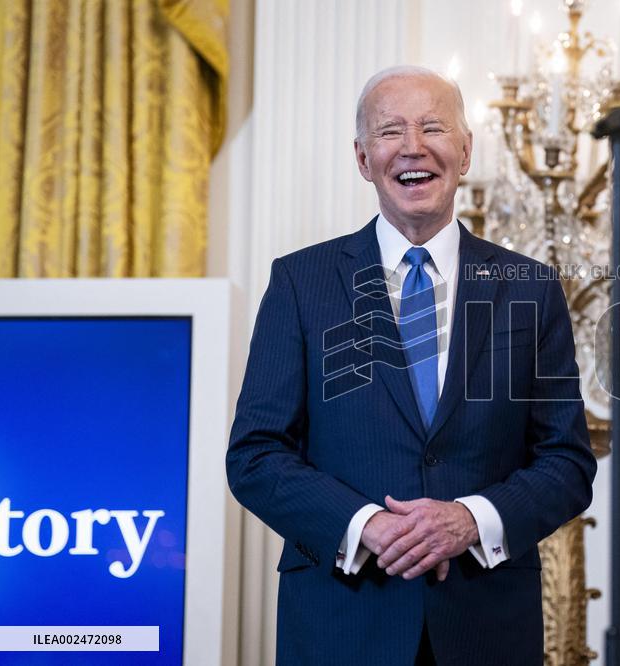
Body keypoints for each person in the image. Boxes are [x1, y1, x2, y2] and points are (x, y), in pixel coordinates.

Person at [227, 65, 596, 666]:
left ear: (466, 151)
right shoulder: (300, 282)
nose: (413, 147)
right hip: (342, 623)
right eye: (390, 131)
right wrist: (365, 525)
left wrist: (471, 519)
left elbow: (568, 462)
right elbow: (255, 454)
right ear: (362, 157)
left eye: (433, 127)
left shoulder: (530, 287)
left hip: (486, 628)